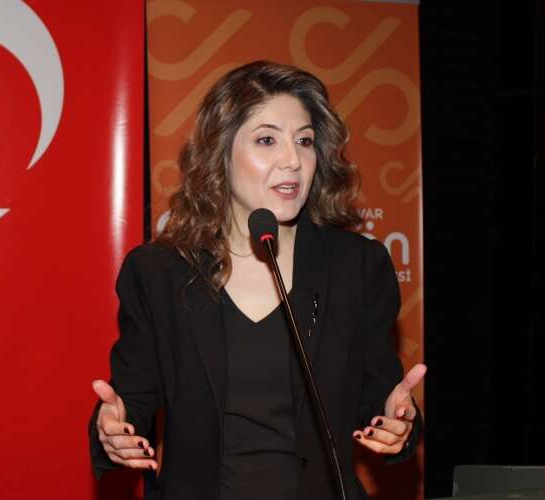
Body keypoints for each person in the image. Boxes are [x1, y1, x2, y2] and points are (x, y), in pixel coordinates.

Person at [88, 60, 426, 500]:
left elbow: (377, 395)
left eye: (304, 141)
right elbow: (132, 397)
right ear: (220, 153)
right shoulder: (159, 272)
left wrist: (395, 421)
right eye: (267, 140)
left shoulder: (357, 266)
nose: (293, 160)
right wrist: (114, 427)